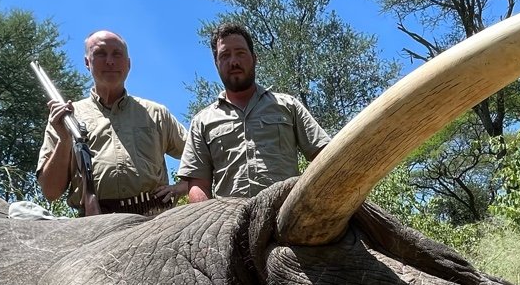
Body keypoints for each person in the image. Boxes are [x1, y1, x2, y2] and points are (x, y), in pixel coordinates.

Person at [166, 23, 330, 202]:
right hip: (229, 223)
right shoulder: (202, 122)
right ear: (216, 64)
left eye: (240, 53)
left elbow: (325, 156)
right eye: (225, 55)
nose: (234, 61)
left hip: (287, 217)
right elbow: (198, 184)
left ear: (254, 58)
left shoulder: (289, 106)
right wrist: (210, 226)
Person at [37, 30, 187, 216]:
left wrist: (181, 187)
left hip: (153, 220)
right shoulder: (65, 119)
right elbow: (50, 192)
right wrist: (64, 140)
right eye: (100, 53)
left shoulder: (157, 113)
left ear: (128, 63)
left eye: (117, 54)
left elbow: (199, 156)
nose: (110, 61)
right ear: (87, 62)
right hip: (94, 223)